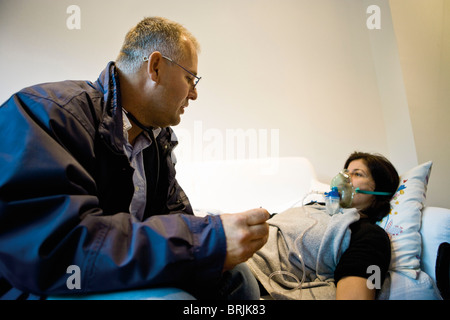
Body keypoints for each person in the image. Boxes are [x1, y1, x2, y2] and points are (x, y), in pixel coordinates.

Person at [0, 16, 269, 300]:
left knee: (236, 279)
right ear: (155, 67)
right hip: (40, 283)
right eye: (190, 78)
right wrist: (206, 240)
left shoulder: (154, 140)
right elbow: (59, 249)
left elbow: (173, 217)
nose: (194, 93)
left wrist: (216, 239)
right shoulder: (46, 114)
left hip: (110, 271)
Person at [246, 151, 399, 300]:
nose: (343, 178)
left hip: (248, 269)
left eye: (357, 174)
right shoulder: (314, 206)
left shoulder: (368, 234)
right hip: (237, 245)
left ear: (379, 190)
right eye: (345, 172)